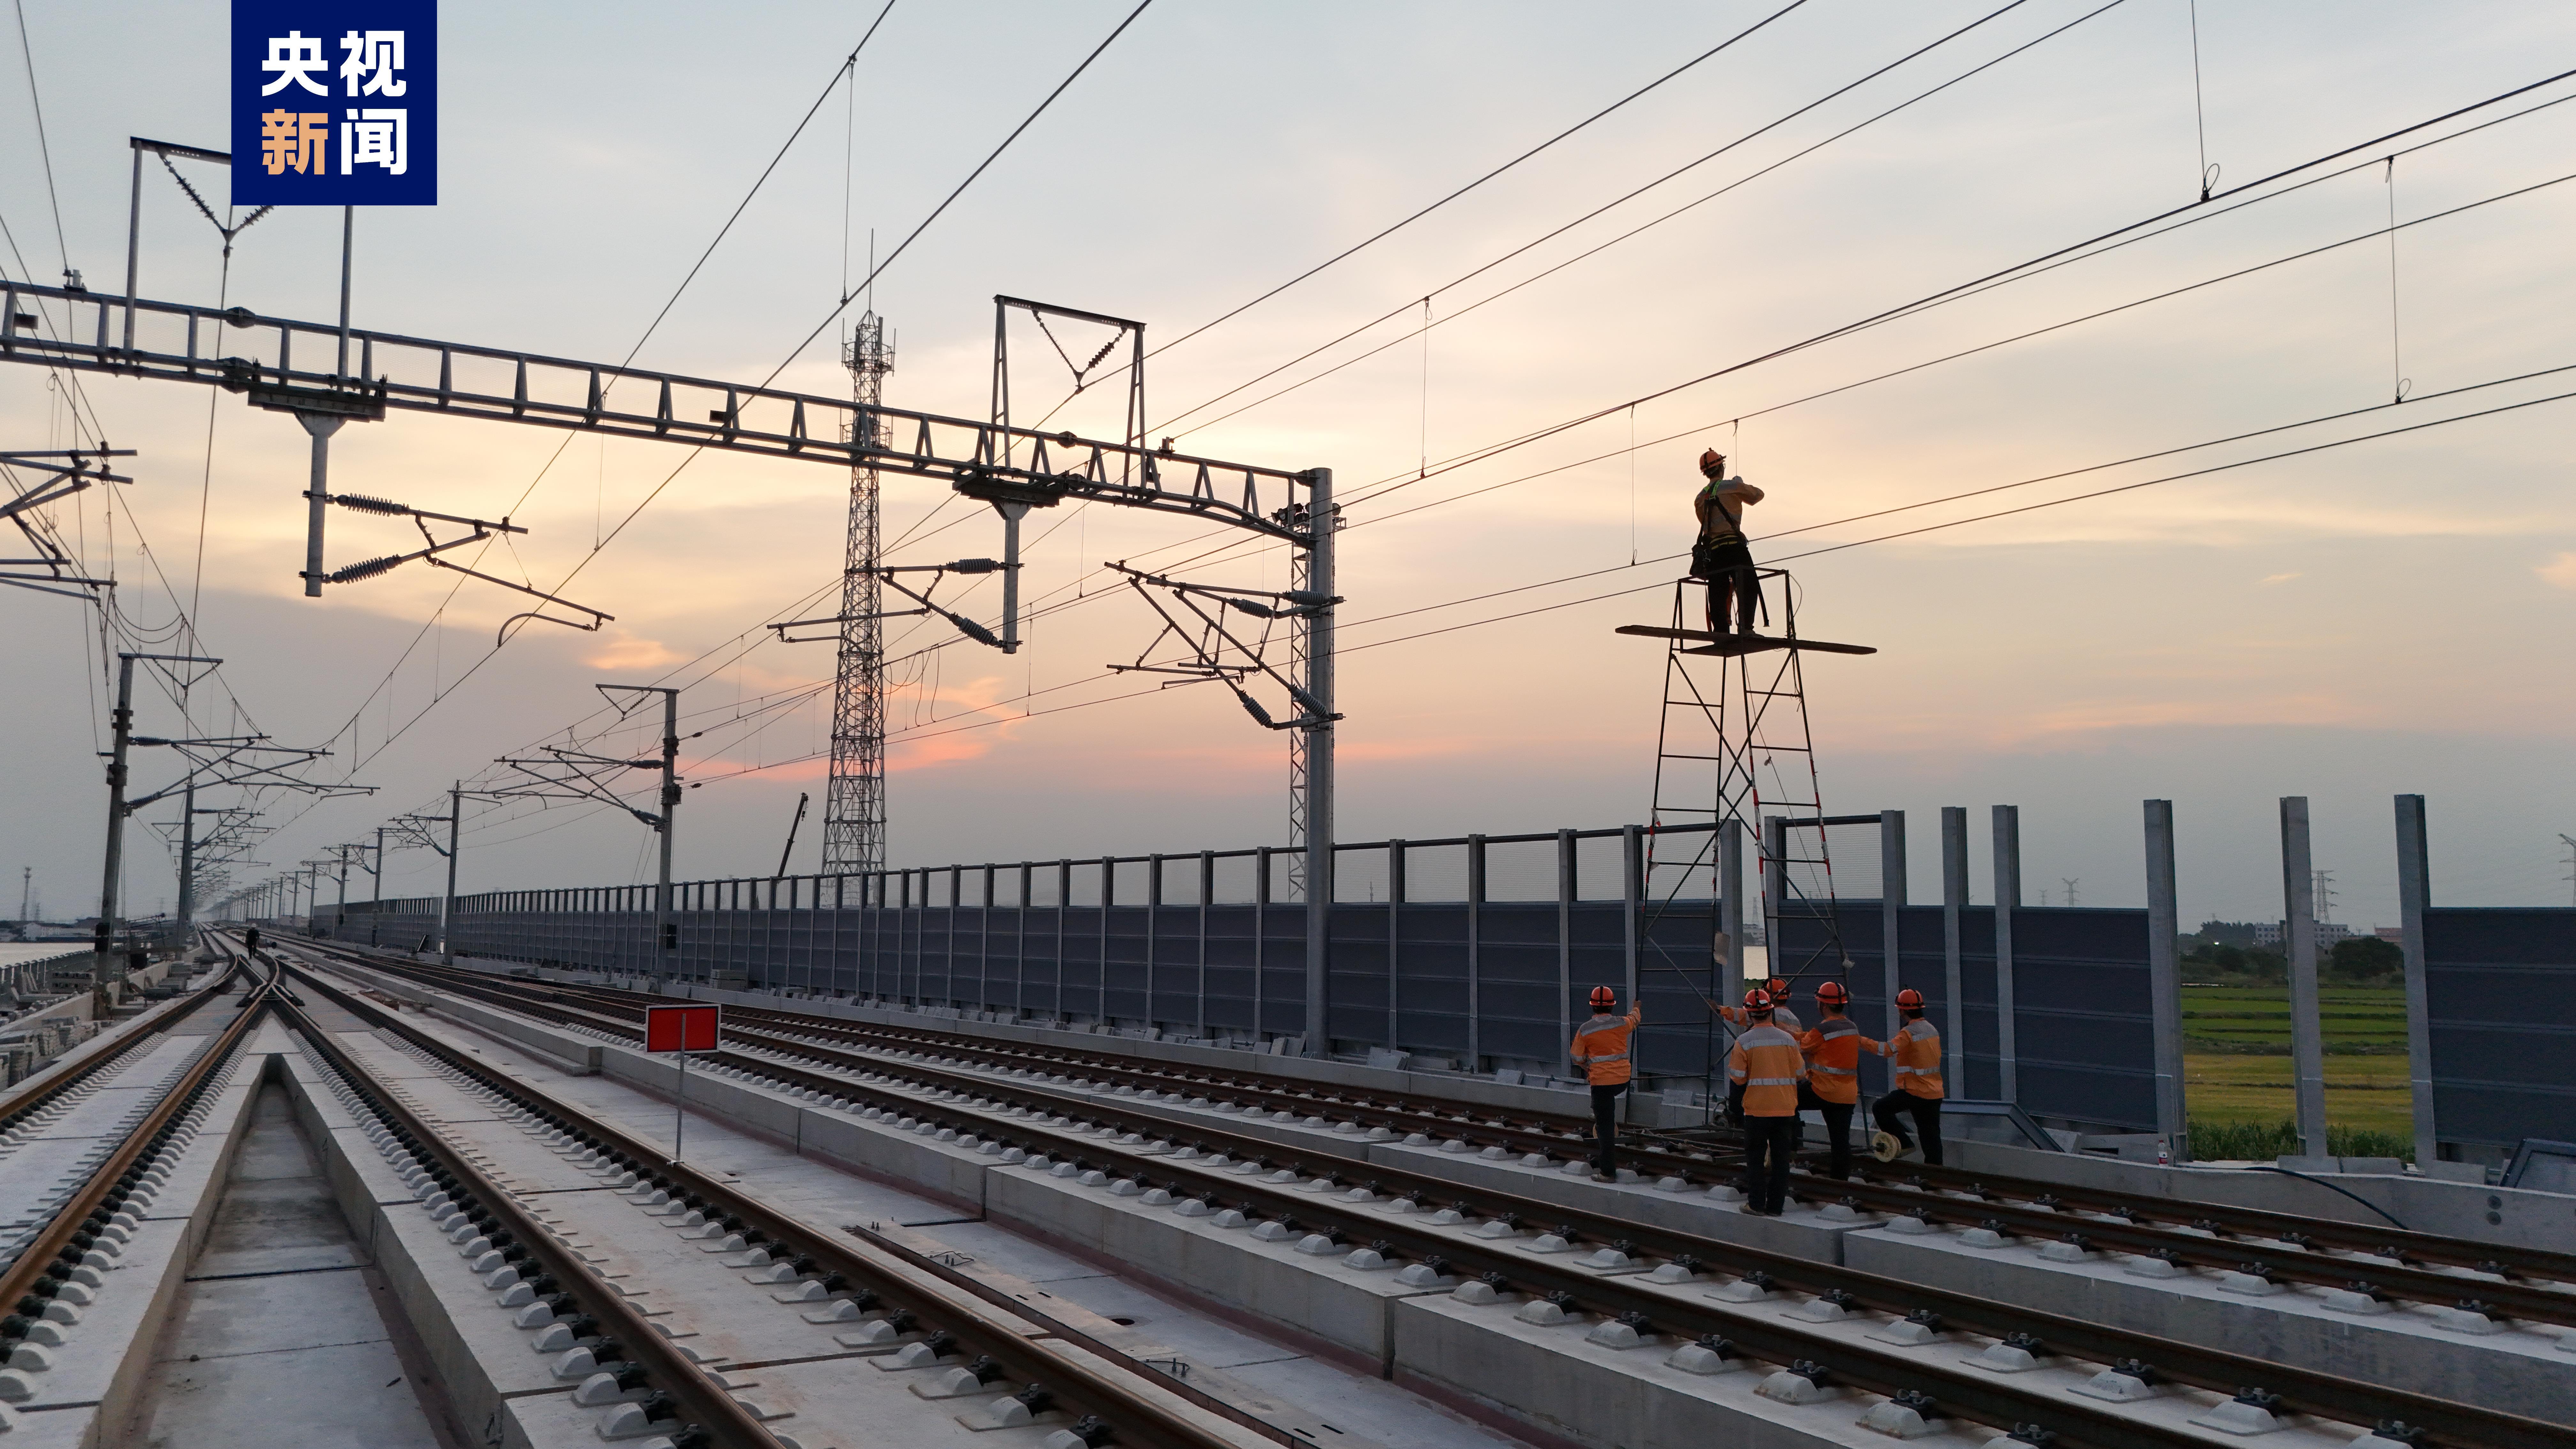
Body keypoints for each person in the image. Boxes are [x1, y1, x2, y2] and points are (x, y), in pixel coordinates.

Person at [1726, 989, 1806, 1215]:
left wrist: (1736, 1109)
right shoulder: (1788, 1040)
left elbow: (1738, 1078)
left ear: (1750, 1014)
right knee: (1782, 1162)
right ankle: (1776, 1208)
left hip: (1757, 1111)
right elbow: (1801, 1073)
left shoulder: (1744, 1041)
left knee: (1755, 1160)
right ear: (1771, 1011)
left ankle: (1756, 1204)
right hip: (1785, 1109)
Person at [1796, 980, 1880, 1180]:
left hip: (1822, 1090)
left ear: (1823, 1005)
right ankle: (1839, 1183)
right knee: (1840, 1141)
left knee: (1785, 1101)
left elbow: (1799, 1048)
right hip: (1847, 1095)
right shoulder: (1852, 1028)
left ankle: (1788, 1149)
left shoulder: (1821, 1030)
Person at [1569, 985, 1642, 1181]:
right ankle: (1600, 1111)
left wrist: (1588, 1066)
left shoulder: (1586, 1030)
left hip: (1601, 1083)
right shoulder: (1621, 1024)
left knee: (1605, 1128)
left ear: (1593, 1007)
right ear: (1612, 1007)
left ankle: (1607, 1172)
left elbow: (1576, 1056)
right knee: (1604, 1105)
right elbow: (1635, 1020)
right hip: (1622, 1081)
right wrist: (1636, 1008)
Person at [1690, 450, 1766, 636]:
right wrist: (1739, 484)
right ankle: (1746, 629)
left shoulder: (1700, 498)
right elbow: (1758, 496)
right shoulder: (1731, 487)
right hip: (1734, 548)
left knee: (1718, 590)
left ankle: (1721, 633)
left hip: (1714, 553)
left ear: (1705, 473)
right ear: (1722, 467)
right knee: (1748, 585)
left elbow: (1704, 523)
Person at [1870, 987, 1947, 1166]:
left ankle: (1904, 1144)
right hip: (1934, 1092)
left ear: (1902, 1010)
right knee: (1930, 1135)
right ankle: (1935, 1172)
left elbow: (1887, 1050)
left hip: (1914, 1091)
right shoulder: (1931, 1029)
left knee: (1880, 1109)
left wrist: (1860, 1041)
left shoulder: (1909, 1033)